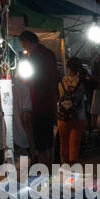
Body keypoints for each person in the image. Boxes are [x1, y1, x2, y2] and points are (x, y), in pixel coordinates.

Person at [20, 30, 60, 165]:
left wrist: (23, 80)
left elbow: (32, 81)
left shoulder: (36, 57)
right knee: (48, 143)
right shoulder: (49, 54)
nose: (24, 48)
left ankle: (45, 174)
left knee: (41, 145)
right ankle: (49, 170)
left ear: (27, 41)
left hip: (38, 104)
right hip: (49, 104)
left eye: (23, 45)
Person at [0, 71, 33, 169]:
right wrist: (32, 146)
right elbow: (25, 121)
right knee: (21, 181)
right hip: (19, 143)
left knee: (0, 181)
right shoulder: (22, 88)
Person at [56, 57, 89, 164]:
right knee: (74, 145)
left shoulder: (61, 81)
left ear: (68, 67)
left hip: (62, 116)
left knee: (63, 144)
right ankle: (73, 170)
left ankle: (64, 168)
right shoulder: (82, 82)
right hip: (78, 116)